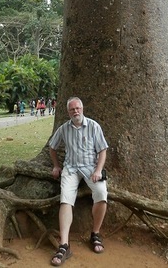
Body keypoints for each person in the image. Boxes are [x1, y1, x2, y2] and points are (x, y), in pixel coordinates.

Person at [49, 96, 109, 266]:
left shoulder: (93, 126)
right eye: (72, 109)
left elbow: (103, 150)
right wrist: (56, 166)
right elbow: (52, 147)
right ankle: (64, 245)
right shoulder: (63, 129)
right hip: (70, 168)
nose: (75, 111)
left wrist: (98, 170)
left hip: (91, 167)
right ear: (68, 112)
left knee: (102, 193)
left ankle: (95, 234)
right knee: (65, 200)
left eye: (77, 108)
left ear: (82, 109)